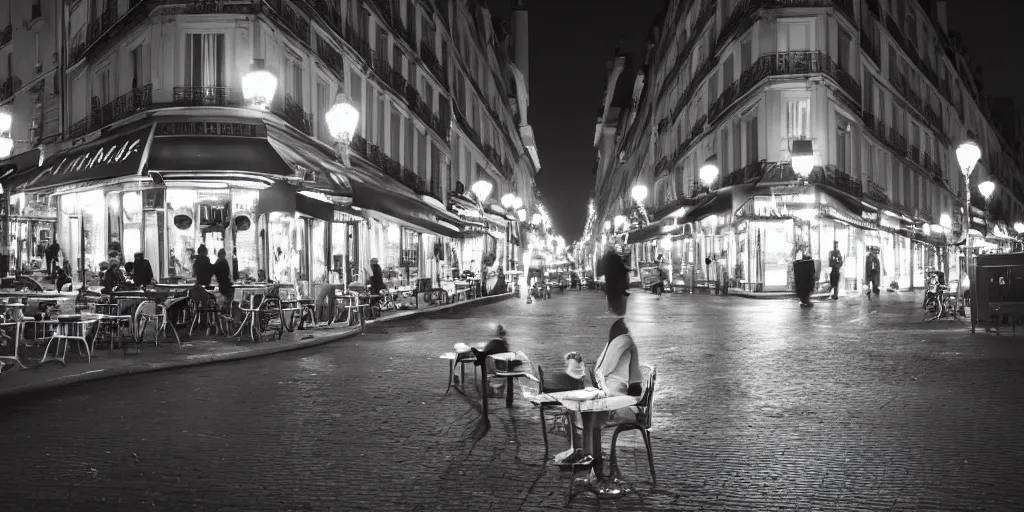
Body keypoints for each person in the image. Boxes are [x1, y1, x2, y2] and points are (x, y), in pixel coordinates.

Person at [598, 245, 630, 316]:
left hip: (609, 281)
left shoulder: (604, 258)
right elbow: (622, 268)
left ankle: (613, 309)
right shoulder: (616, 257)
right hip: (617, 281)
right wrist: (627, 269)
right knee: (618, 295)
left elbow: (601, 271)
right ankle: (618, 311)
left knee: (611, 295)